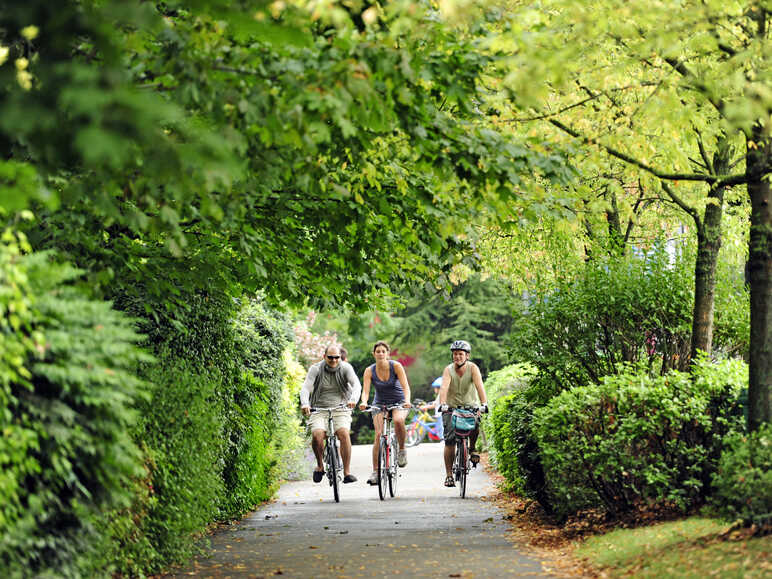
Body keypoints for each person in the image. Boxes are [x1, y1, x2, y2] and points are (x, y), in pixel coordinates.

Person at [300, 344, 362, 484]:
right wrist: (305, 403)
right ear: (324, 357)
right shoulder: (315, 369)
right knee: (317, 435)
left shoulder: (346, 368)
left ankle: (347, 473)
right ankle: (320, 466)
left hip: (341, 408)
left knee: (344, 434)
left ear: (340, 357)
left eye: (336, 357)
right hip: (319, 408)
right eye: (330, 357)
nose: (334, 360)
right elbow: (306, 388)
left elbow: (356, 385)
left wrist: (353, 400)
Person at [358, 340, 412, 485]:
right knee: (378, 434)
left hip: (399, 401)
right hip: (379, 403)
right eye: (378, 352)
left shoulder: (396, 366)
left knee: (398, 420)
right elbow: (366, 391)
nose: (381, 354)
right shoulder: (370, 370)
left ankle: (401, 450)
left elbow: (406, 387)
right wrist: (363, 402)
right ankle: (375, 471)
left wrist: (407, 401)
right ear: (373, 354)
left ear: (388, 353)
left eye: (383, 351)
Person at [438, 340, 488, 488]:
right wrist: (443, 404)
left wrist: (484, 404)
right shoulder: (448, 370)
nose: (457, 357)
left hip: (470, 406)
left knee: (475, 424)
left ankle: (472, 448)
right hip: (451, 408)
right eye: (455, 354)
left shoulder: (473, 368)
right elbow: (444, 388)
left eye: (460, 354)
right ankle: (448, 476)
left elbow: (479, 386)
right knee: (450, 440)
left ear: (467, 356)